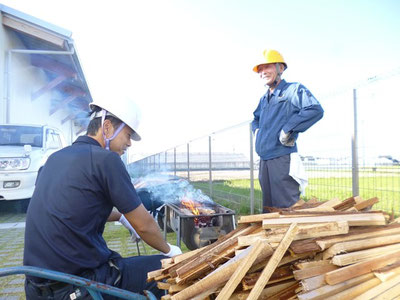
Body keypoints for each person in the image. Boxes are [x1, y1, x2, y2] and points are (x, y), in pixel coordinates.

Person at [23, 95, 181, 299]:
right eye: (128, 135)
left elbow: (73, 210)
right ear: (107, 128)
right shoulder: (106, 161)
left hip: (37, 285)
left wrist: (121, 217)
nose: (130, 143)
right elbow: (145, 226)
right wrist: (170, 249)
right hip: (78, 285)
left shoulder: (54, 159)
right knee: (166, 269)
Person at [251, 49, 324, 212]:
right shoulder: (264, 99)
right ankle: (271, 237)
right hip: (265, 160)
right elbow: (254, 119)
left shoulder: (293, 90)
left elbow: (315, 109)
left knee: (286, 208)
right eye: (260, 69)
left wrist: (288, 129)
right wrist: (256, 132)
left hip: (282, 159)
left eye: (267, 67)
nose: (263, 72)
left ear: (280, 68)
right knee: (268, 209)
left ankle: (294, 236)